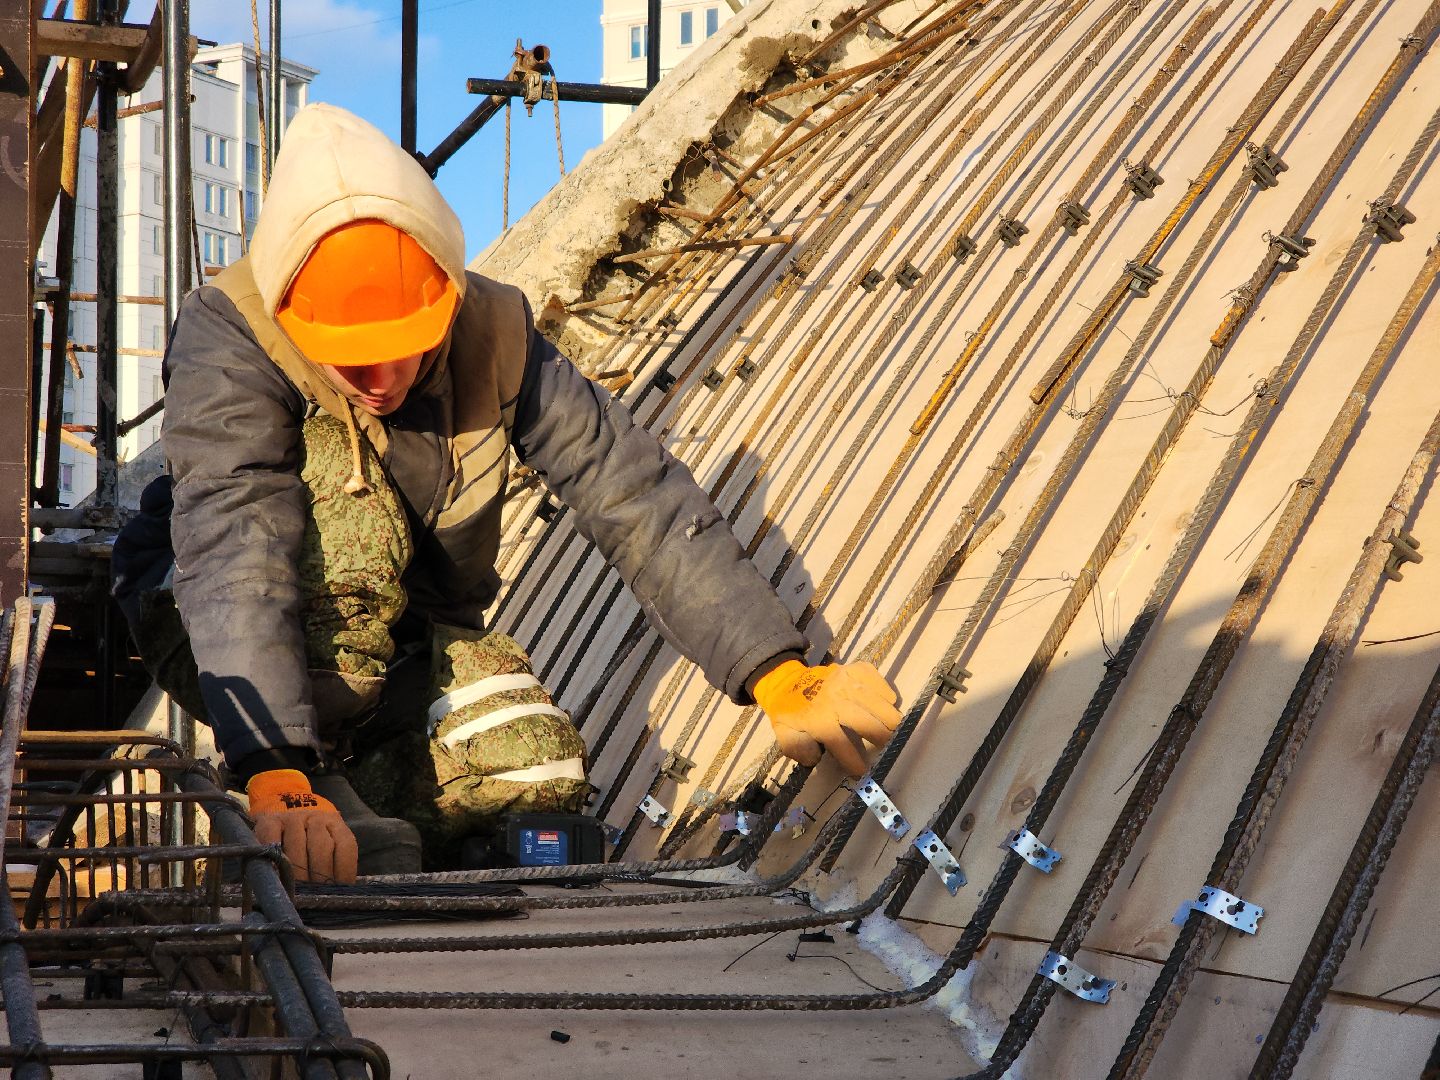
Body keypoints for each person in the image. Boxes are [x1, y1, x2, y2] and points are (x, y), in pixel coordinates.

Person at [112, 104, 901, 884]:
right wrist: (273, 762)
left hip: (408, 632)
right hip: (201, 602)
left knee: (532, 767)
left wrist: (774, 669)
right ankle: (300, 779)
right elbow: (236, 544)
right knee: (336, 489)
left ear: (446, 300)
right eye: (352, 362)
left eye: (403, 352)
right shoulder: (234, 332)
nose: (380, 383)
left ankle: (375, 794)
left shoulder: (496, 329)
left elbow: (630, 490)